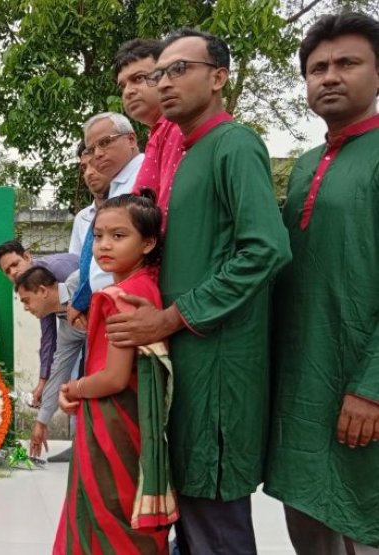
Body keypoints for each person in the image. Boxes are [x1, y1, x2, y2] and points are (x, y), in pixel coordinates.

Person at [105, 30, 292, 553]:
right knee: (189, 511)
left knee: (213, 512)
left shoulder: (234, 144)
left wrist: (170, 317)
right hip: (188, 356)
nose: (164, 83)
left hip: (219, 360)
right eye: (157, 73)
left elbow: (265, 250)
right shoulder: (183, 154)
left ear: (218, 77)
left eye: (179, 70)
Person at [265, 12, 379, 553]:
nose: (329, 76)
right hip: (302, 389)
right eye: (317, 68)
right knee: (306, 519)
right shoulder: (307, 165)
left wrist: (371, 390)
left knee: (362, 515)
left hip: (360, 386)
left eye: (347, 63)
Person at [53, 190, 177, 554]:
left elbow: (113, 378)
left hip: (113, 423)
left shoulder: (121, 297)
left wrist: (73, 388)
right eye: (98, 236)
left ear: (148, 242)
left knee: (106, 515)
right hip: (139, 419)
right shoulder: (148, 288)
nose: (104, 245)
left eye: (118, 236)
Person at [0, 240, 79, 461]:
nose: (13, 272)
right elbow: (51, 341)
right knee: (72, 384)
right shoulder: (62, 318)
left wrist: (81, 307)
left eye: (15, 264)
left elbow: (92, 281)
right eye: (7, 271)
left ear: (28, 257)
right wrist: (41, 418)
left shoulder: (65, 274)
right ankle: (82, 447)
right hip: (75, 330)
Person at [67, 113, 144, 331]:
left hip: (126, 301)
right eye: (92, 148)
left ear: (131, 140)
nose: (98, 154)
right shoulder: (118, 185)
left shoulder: (141, 178)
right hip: (106, 301)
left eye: (105, 142)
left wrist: (82, 300)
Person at [113, 38, 186, 227]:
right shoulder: (159, 134)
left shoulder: (179, 129)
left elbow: (168, 212)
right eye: (122, 85)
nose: (128, 92)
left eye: (138, 78)